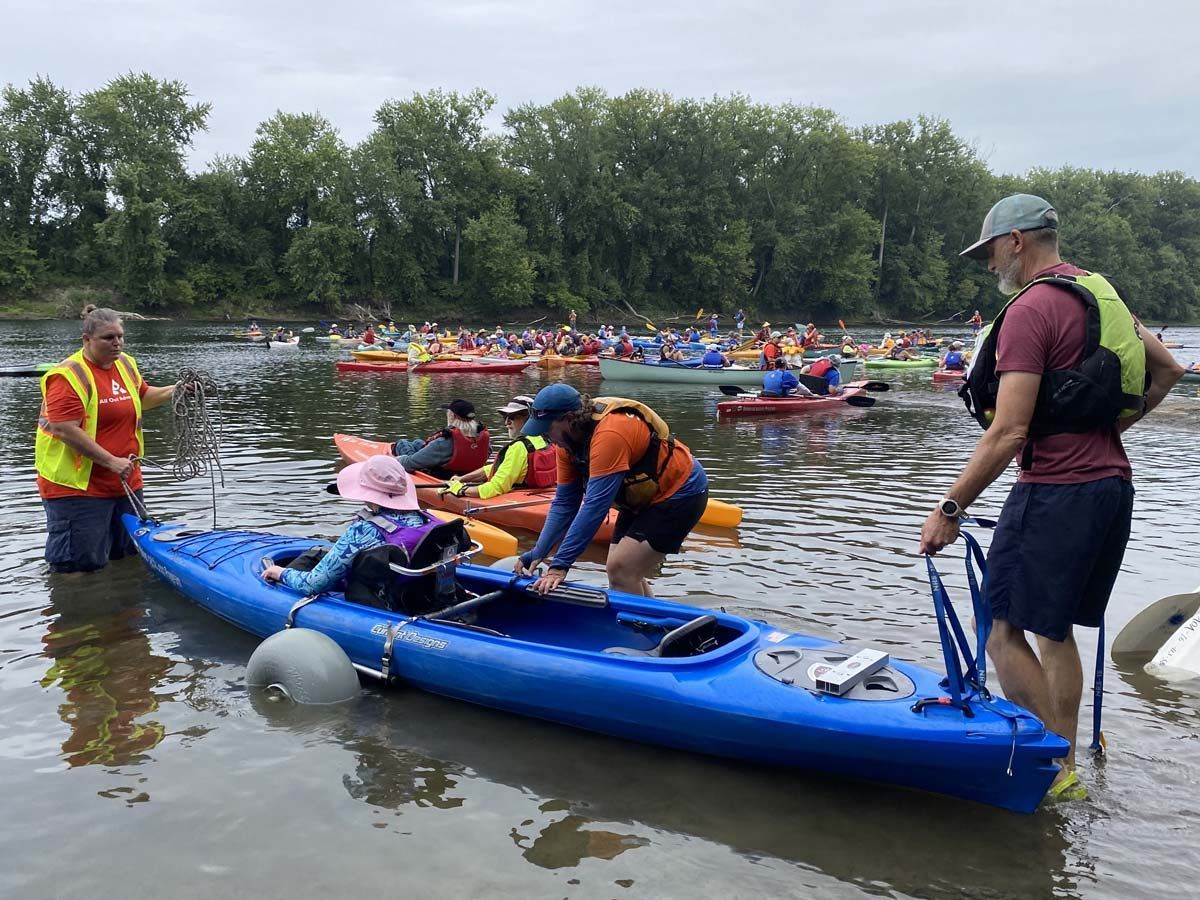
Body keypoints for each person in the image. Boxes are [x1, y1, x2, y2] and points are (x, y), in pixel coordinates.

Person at [919, 193, 1184, 803]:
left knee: (1003, 632)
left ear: (1017, 241)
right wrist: (1103, 434)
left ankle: (1054, 766)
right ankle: (1068, 768)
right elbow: (1168, 370)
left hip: (1056, 491)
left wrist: (950, 509)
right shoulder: (1100, 293)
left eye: (989, 251)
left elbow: (1009, 431)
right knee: (1054, 631)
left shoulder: (1030, 310)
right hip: (1113, 488)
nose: (989, 265)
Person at [514, 384, 709, 597]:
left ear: (569, 418)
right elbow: (564, 504)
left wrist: (560, 566)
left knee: (622, 569)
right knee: (621, 570)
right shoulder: (566, 446)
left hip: (681, 491)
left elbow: (595, 507)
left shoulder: (610, 433)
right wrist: (538, 551)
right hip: (641, 498)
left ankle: (638, 628)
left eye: (547, 429)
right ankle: (654, 624)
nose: (546, 438)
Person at [35, 308, 182, 573]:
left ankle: (120, 610)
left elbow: (143, 397)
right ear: (87, 339)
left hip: (125, 482)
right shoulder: (68, 376)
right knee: (79, 567)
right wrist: (110, 461)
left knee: (127, 558)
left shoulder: (125, 363)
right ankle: (75, 611)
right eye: (108, 337)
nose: (117, 343)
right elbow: (62, 428)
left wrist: (177, 390)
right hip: (78, 488)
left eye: (120, 336)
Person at [261, 455, 441, 594]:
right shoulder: (425, 519)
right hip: (417, 594)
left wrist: (280, 572)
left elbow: (313, 584)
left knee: (308, 561)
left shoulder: (364, 530)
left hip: (382, 598)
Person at [444, 396, 557, 499]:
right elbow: (498, 467)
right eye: (505, 417)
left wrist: (460, 489)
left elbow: (493, 489)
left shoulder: (519, 447)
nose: (506, 423)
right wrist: (462, 479)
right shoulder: (544, 439)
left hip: (518, 501)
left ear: (528, 418)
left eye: (512, 417)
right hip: (540, 495)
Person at [392, 399, 491, 475]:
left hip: (440, 474)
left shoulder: (444, 442)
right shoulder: (482, 439)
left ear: (452, 416)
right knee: (417, 442)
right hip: (465, 472)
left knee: (402, 443)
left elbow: (409, 464)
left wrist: (396, 460)